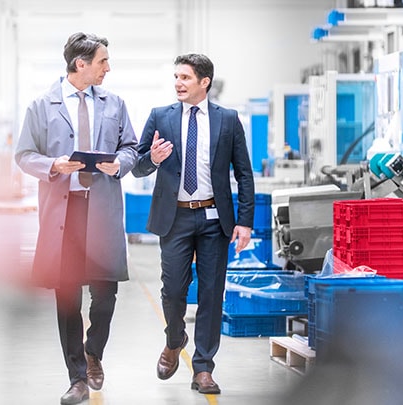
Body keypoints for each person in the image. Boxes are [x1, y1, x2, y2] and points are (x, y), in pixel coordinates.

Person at [15, 32, 138, 405]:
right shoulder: (41, 105)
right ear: (80, 64)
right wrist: (51, 164)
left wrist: (120, 164)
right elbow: (23, 154)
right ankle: (77, 378)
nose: (108, 68)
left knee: (105, 292)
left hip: (101, 207)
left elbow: (131, 146)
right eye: (102, 61)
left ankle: (93, 351)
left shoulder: (115, 103)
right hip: (64, 211)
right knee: (67, 295)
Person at [131, 53, 255, 395]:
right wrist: (151, 160)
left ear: (205, 82)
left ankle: (203, 367)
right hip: (176, 217)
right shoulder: (160, 116)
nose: (178, 84)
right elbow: (138, 165)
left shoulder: (228, 120)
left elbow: (243, 173)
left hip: (215, 219)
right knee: (172, 291)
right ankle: (175, 339)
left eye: (185, 77)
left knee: (212, 294)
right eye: (176, 77)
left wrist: (245, 221)